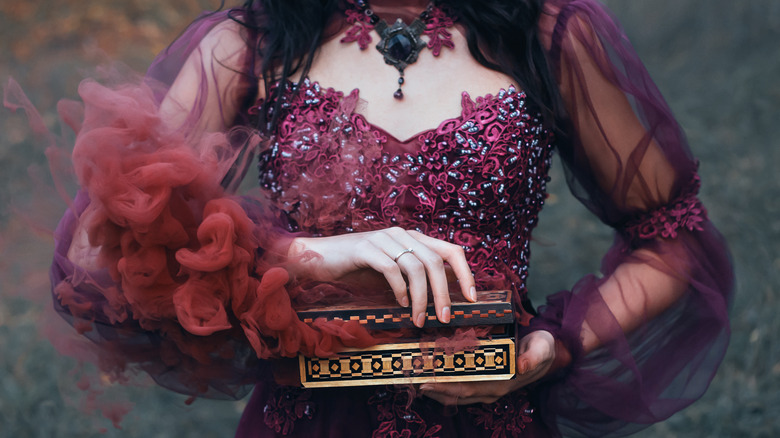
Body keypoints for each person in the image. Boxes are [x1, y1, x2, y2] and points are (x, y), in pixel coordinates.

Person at [19, 0, 732, 436]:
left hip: (495, 418)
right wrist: (300, 256)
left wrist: (548, 350)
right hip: (306, 422)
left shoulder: (546, 33)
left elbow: (670, 239)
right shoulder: (253, 42)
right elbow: (95, 258)